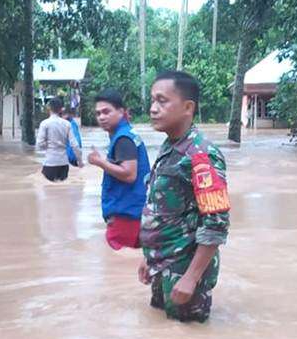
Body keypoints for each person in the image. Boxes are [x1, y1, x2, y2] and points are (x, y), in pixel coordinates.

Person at [138, 71, 230, 323]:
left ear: (188, 107)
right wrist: (149, 257)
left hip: (183, 269)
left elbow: (216, 223)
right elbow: (162, 209)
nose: (153, 109)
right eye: (152, 101)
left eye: (162, 101)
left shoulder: (201, 155)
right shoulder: (171, 146)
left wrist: (191, 277)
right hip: (162, 264)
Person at [87, 89, 151, 250]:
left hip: (126, 214)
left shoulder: (123, 138)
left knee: (116, 267)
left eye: (106, 112)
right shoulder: (127, 134)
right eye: (98, 113)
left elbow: (129, 174)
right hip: (134, 211)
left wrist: (100, 162)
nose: (101, 117)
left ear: (121, 112)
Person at [37, 97, 81, 181]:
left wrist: (48, 147)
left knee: (48, 191)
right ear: (61, 109)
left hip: (50, 162)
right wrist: (80, 161)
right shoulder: (67, 124)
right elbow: (75, 145)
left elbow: (39, 145)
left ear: (49, 108)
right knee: (62, 190)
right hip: (63, 164)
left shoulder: (44, 124)